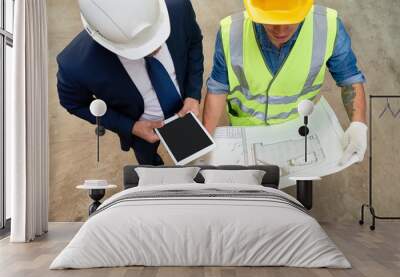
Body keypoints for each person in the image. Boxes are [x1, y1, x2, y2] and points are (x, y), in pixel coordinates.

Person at [203, 0, 367, 165]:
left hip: (295, 128)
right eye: (272, 20)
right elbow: (218, 89)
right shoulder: (231, 32)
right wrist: (205, 145)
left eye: (290, 19)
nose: (281, 30)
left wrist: (358, 124)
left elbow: (349, 79)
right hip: (245, 129)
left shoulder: (328, 27)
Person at [57, 0, 204, 165]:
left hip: (184, 107)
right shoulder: (74, 65)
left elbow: (194, 43)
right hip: (140, 125)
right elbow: (74, 104)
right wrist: (131, 126)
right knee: (149, 165)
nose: (155, 49)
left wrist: (193, 94)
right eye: (140, 49)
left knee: (191, 154)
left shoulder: (178, 7)